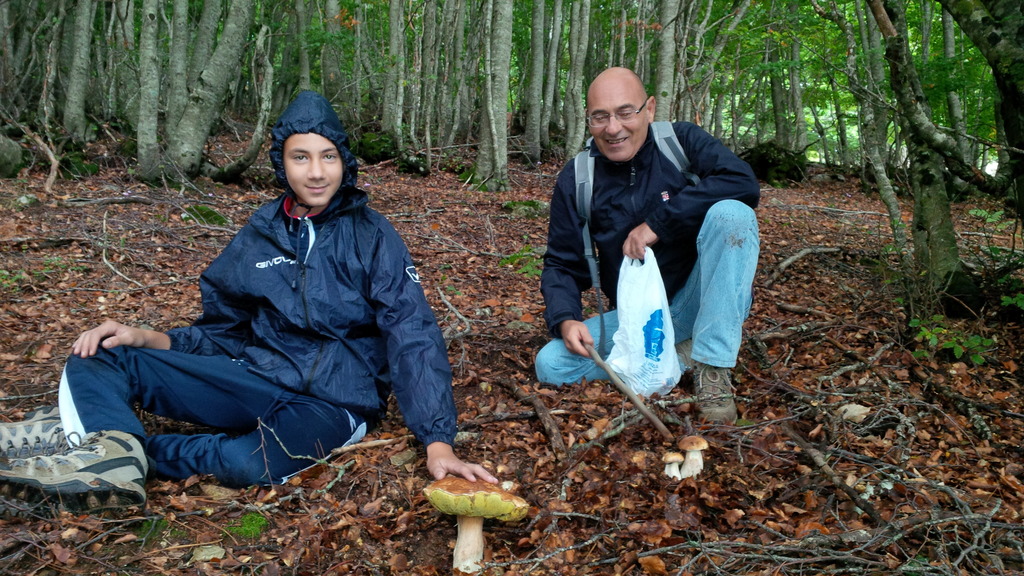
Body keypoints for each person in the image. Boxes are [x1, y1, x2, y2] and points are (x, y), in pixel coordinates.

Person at [0, 90, 496, 516]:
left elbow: (411, 332)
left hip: (335, 402)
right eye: (301, 157)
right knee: (102, 351)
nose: (317, 172)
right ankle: (100, 446)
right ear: (281, 162)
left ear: (345, 160)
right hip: (257, 376)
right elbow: (224, 328)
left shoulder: (372, 236)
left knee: (249, 463)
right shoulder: (261, 234)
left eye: (328, 156)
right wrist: (149, 338)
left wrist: (436, 440)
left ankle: (110, 452)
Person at [535, 67, 760, 424]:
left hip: (698, 299)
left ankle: (713, 366)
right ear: (588, 119)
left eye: (626, 112)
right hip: (638, 316)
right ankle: (681, 355)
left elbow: (742, 182)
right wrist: (565, 318)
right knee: (552, 364)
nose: (613, 128)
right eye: (600, 116)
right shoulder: (578, 177)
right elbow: (561, 262)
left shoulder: (680, 142)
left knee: (733, 215)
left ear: (650, 109)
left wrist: (659, 222)